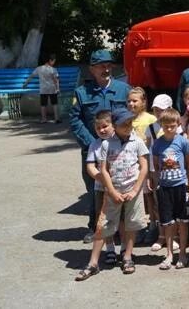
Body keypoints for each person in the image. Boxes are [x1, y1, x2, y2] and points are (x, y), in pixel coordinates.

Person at [75, 109, 149, 280]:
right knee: (103, 225)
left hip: (133, 191)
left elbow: (144, 167)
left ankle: (128, 256)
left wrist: (136, 189)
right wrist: (112, 191)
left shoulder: (137, 141)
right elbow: (103, 170)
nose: (128, 126)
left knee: (131, 224)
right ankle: (93, 263)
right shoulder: (106, 144)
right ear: (115, 126)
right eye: (124, 124)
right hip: (113, 191)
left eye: (130, 123)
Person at [70, 49, 130, 242]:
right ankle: (95, 227)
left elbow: (131, 116)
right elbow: (75, 119)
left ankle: (120, 229)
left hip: (119, 149)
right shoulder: (81, 92)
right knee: (95, 189)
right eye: (101, 66)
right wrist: (92, 143)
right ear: (91, 69)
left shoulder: (123, 89)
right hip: (93, 151)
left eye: (108, 65)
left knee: (119, 187)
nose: (106, 69)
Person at [151, 108, 189, 270]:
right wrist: (158, 182)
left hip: (180, 187)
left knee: (182, 222)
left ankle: (182, 253)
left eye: (173, 126)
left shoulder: (182, 142)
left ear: (178, 125)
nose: (169, 128)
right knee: (167, 223)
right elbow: (156, 165)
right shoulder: (158, 144)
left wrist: (185, 181)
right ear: (161, 125)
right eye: (166, 125)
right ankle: (169, 254)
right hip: (165, 188)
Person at [84, 110, 118, 266]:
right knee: (104, 220)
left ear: (113, 125)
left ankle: (124, 248)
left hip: (121, 185)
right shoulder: (94, 145)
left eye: (105, 126)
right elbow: (91, 167)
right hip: (101, 188)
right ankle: (110, 248)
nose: (102, 130)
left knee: (122, 219)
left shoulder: (119, 141)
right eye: (99, 128)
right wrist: (102, 179)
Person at [23, 54, 61, 123]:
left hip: (43, 89)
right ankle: (56, 118)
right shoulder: (53, 69)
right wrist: (58, 88)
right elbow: (56, 80)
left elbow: (31, 76)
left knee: (43, 104)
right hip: (52, 89)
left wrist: (26, 83)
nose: (54, 63)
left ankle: (44, 119)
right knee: (54, 103)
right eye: (54, 61)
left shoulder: (39, 68)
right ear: (50, 61)